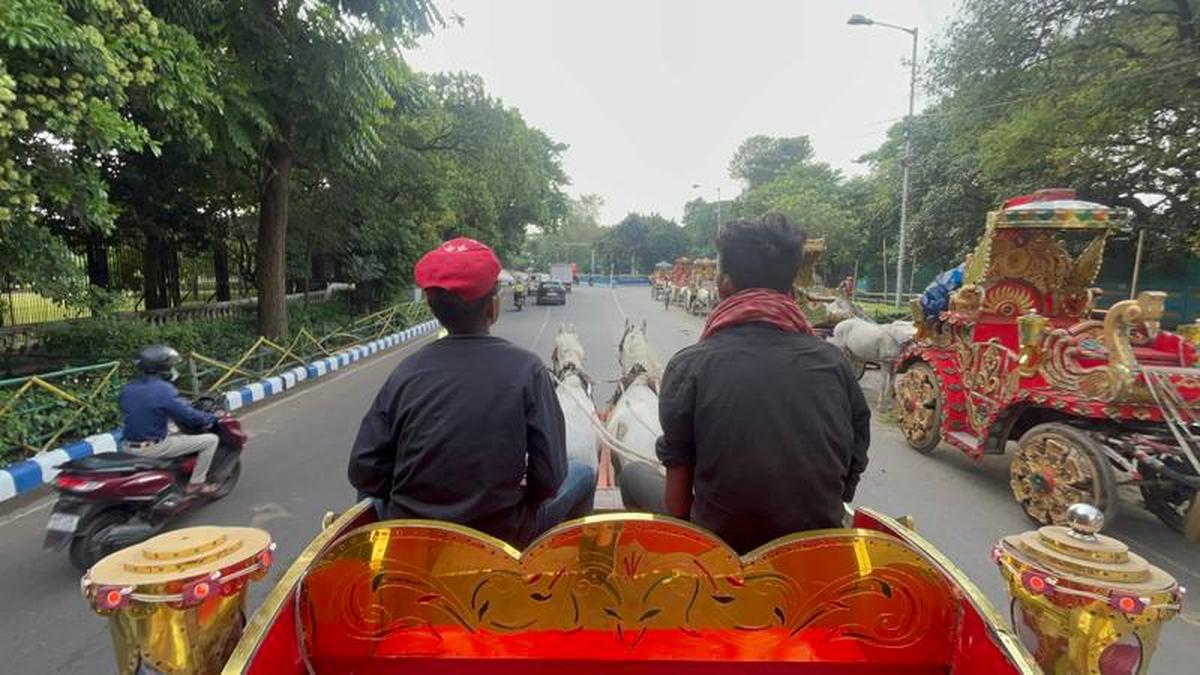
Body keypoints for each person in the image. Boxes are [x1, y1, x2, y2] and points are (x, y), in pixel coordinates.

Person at [620, 214, 871, 553]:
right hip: (813, 548)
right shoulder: (833, 364)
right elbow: (854, 459)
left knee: (634, 475)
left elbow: (678, 504)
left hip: (721, 551)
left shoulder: (689, 366)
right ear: (792, 290)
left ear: (724, 286)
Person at [348, 237, 596, 547]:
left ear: (431, 306)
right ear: (493, 307)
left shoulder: (406, 372)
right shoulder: (528, 370)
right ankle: (565, 572)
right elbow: (548, 480)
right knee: (584, 473)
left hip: (413, 533)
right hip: (502, 534)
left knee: (368, 501)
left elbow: (364, 471)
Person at [119, 345, 220, 495]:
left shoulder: (128, 388)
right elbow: (188, 416)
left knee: (173, 431)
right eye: (172, 365)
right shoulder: (163, 389)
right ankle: (197, 483)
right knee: (210, 440)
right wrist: (211, 417)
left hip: (126, 446)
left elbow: (145, 410)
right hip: (152, 448)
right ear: (163, 367)